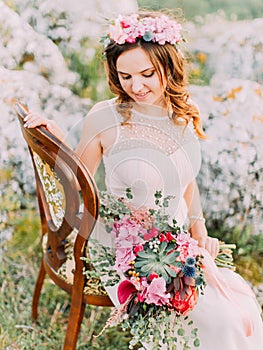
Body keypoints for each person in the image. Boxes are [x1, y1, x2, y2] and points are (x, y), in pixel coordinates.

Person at [24, 11, 263, 350]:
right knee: (216, 319)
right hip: (124, 244)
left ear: (169, 66)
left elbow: (187, 181)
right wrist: (57, 138)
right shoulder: (104, 117)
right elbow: (77, 183)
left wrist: (200, 229)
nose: (136, 86)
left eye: (147, 73)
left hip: (179, 239)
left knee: (241, 306)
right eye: (125, 76)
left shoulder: (183, 113)